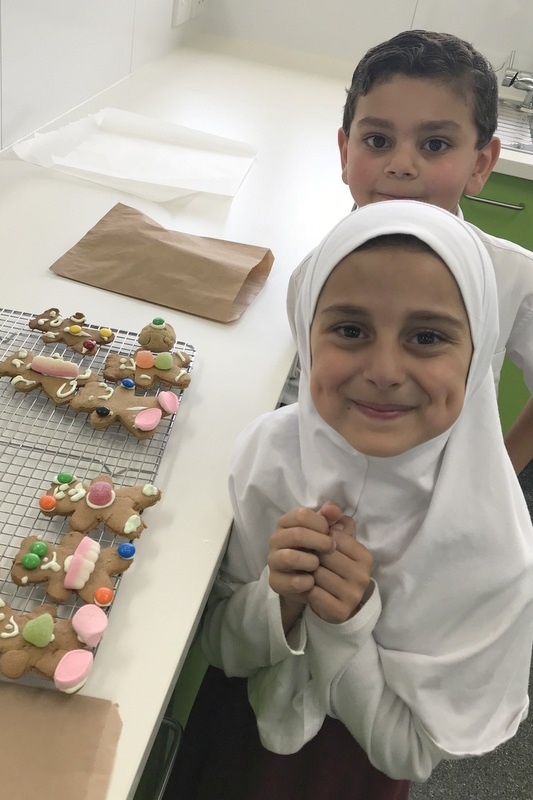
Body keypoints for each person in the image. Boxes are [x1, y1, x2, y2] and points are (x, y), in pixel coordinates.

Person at [163, 201, 533, 800]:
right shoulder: (269, 456)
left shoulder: (491, 549)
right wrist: (275, 601)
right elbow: (215, 642)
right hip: (226, 733)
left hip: (347, 773)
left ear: (476, 353)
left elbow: (409, 749)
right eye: (351, 330)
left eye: (428, 336)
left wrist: (346, 624)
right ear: (307, 334)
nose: (385, 369)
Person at [284, 29, 533, 475]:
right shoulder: (312, 277)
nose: (401, 164)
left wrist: (504, 470)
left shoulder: (513, 275)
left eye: (434, 145)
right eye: (378, 141)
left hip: (453, 500)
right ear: (345, 152)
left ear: (480, 165)